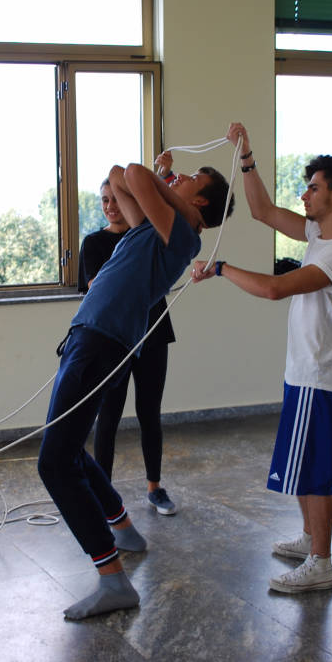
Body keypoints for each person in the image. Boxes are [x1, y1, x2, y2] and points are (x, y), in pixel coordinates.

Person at [40, 158, 233, 619]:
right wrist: (165, 186)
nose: (178, 178)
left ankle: (112, 580)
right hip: (91, 336)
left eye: (189, 180)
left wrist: (161, 182)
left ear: (199, 201)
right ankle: (121, 525)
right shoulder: (158, 224)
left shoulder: (183, 233)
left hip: (100, 340)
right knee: (70, 451)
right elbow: (117, 174)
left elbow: (136, 172)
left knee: (54, 463)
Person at [192, 122, 332, 594]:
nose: (305, 195)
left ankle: (321, 562)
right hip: (305, 370)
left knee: (315, 470)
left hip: (321, 373)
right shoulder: (318, 235)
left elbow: (273, 289)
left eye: (313, 188)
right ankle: (310, 538)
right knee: (305, 462)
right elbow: (263, 210)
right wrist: (246, 157)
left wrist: (222, 269)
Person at [79, 152, 179, 517]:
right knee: (109, 414)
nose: (110, 207)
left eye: (116, 199)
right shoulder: (93, 243)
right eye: (104, 201)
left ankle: (155, 487)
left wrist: (160, 175)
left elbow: (159, 205)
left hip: (152, 332)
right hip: (115, 338)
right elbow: (95, 287)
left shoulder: (146, 236)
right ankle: (103, 494)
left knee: (149, 411)